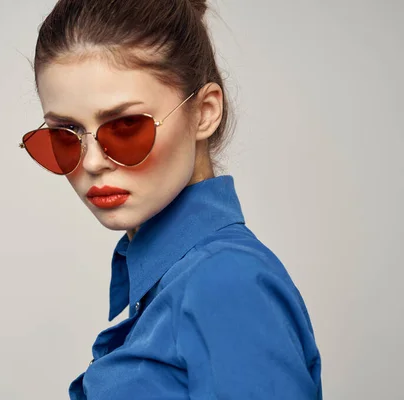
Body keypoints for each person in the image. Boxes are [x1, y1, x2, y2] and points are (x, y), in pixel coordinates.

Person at [18, 0, 323, 398]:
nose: (91, 163)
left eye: (126, 126)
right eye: (65, 135)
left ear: (204, 112)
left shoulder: (225, 282)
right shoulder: (175, 283)